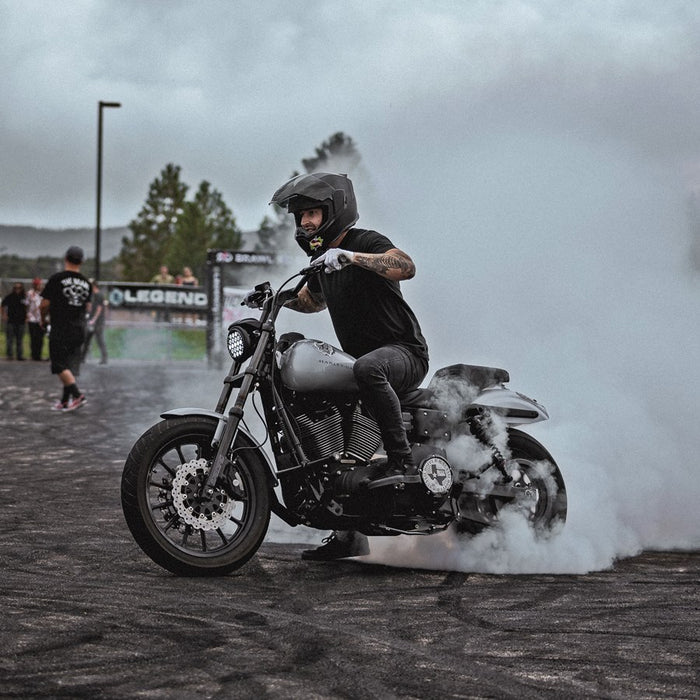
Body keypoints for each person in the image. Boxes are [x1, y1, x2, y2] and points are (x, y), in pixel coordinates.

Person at [267, 172, 429, 561]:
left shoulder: (362, 243)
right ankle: (348, 532)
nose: (305, 222)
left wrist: (353, 257)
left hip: (402, 354)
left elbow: (405, 266)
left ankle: (403, 464)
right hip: (365, 363)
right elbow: (311, 302)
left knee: (367, 369)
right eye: (300, 215)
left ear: (335, 211)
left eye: (312, 213)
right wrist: (275, 300)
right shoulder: (323, 265)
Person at [40, 246, 92, 412]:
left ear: (66, 258)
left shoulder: (57, 278)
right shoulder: (86, 282)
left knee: (59, 365)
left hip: (61, 328)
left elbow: (44, 304)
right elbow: (88, 307)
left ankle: (77, 395)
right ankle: (64, 401)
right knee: (69, 366)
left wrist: (43, 318)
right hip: (79, 329)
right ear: (82, 261)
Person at [82, 280, 108, 365]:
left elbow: (99, 309)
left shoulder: (99, 295)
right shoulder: (91, 295)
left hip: (98, 322)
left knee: (100, 340)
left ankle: (104, 358)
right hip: (91, 321)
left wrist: (94, 319)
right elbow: (90, 307)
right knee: (86, 340)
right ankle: (82, 358)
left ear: (94, 286)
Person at [2, 282, 27, 360]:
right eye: (16, 288)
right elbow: (2, 305)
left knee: (19, 339)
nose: (17, 289)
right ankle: (10, 355)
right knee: (10, 339)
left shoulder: (25, 297)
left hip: (21, 321)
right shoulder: (10, 297)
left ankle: (19, 355)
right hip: (11, 321)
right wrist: (4, 315)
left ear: (22, 288)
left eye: (19, 288)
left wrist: (27, 316)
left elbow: (28, 307)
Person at [26, 277, 46, 361]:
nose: (39, 286)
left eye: (40, 284)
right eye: (37, 284)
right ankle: (33, 354)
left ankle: (39, 354)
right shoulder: (30, 293)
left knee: (40, 338)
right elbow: (26, 305)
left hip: (41, 319)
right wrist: (27, 316)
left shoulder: (44, 293)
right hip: (32, 318)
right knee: (33, 337)